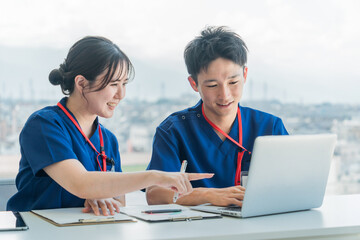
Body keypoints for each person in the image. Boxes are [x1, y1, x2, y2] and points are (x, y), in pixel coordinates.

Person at [6, 36, 213, 215]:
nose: (121, 95)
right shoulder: (45, 125)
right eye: (114, 84)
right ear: (81, 83)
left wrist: (100, 197)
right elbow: (81, 183)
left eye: (124, 84)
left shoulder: (108, 140)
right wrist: (156, 177)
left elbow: (119, 201)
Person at [146, 26, 288, 207]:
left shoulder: (270, 126)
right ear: (194, 84)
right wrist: (210, 195)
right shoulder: (173, 130)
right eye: (212, 85)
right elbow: (155, 195)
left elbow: (292, 184)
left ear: (245, 74)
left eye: (233, 82)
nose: (225, 95)